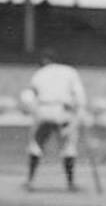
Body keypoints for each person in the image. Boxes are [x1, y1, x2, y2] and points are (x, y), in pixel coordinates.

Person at [23, 52, 88, 191]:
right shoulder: (70, 72)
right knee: (68, 146)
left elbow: (27, 96)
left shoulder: (40, 72)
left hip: (43, 110)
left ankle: (29, 181)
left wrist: (34, 110)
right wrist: (79, 112)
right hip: (62, 111)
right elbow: (79, 95)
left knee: (36, 144)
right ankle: (70, 183)